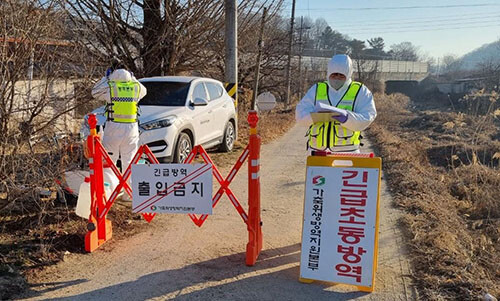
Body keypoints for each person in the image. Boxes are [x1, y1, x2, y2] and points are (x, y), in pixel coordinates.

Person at [295, 54, 376, 153]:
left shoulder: (360, 91)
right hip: (317, 151)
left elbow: (368, 116)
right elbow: (300, 115)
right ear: (328, 73)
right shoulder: (317, 89)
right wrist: (315, 116)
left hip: (347, 151)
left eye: (341, 75)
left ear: (348, 74)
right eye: (334, 74)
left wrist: (347, 117)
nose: (337, 78)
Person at [91, 60, 147, 176]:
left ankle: (111, 189)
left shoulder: (110, 87)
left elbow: (95, 92)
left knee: (109, 161)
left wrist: (106, 78)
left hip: (114, 127)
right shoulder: (135, 87)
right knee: (130, 162)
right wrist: (132, 77)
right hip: (131, 128)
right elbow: (144, 91)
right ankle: (129, 192)